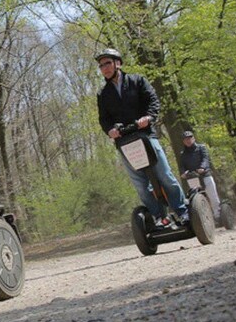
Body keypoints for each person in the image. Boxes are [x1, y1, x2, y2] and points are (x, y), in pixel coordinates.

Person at [95, 48, 190, 227]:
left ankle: (181, 211)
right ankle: (159, 216)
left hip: (146, 135)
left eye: (107, 63)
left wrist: (149, 117)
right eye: (101, 66)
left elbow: (153, 101)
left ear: (118, 63)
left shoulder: (137, 81)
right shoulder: (103, 94)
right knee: (140, 183)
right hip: (124, 142)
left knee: (164, 175)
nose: (104, 68)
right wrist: (109, 131)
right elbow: (104, 119)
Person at [180, 130, 221, 219]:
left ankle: (218, 215)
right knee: (197, 199)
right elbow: (182, 166)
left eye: (190, 138)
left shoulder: (201, 147)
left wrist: (202, 167)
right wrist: (183, 173)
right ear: (183, 141)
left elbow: (206, 158)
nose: (188, 140)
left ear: (193, 138)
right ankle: (205, 218)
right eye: (186, 139)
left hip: (205, 175)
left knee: (212, 195)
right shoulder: (183, 154)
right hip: (193, 178)